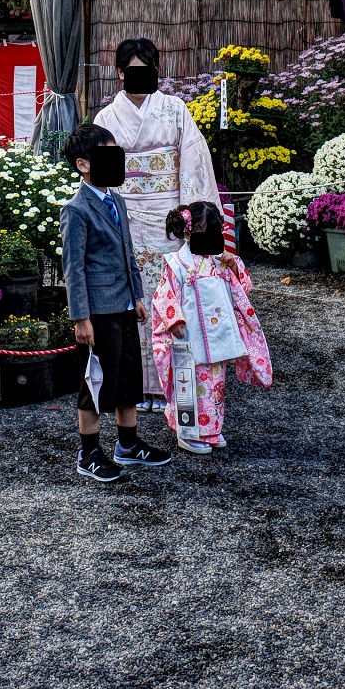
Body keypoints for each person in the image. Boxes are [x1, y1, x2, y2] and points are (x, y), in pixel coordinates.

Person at [95, 36, 222, 411]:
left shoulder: (175, 110)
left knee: (172, 301)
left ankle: (175, 384)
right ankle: (138, 387)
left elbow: (194, 162)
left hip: (170, 221)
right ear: (120, 73)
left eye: (147, 70)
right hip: (125, 218)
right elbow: (100, 177)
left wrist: (192, 217)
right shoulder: (106, 119)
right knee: (131, 304)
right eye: (132, 70)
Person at [61, 121, 174, 485]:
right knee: (95, 381)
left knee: (128, 376)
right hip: (98, 310)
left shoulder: (118, 201)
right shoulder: (76, 210)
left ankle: (128, 444)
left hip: (124, 304)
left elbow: (129, 253)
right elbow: (74, 269)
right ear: (83, 164)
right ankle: (89, 453)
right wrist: (81, 318)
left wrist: (137, 295)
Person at [151, 200, 272, 454]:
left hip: (218, 335)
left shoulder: (220, 261)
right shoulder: (177, 263)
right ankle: (188, 432)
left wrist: (233, 266)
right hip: (189, 334)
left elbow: (243, 288)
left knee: (215, 385)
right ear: (189, 232)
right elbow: (164, 295)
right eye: (204, 233)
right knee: (189, 383)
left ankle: (212, 430)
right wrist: (174, 320)